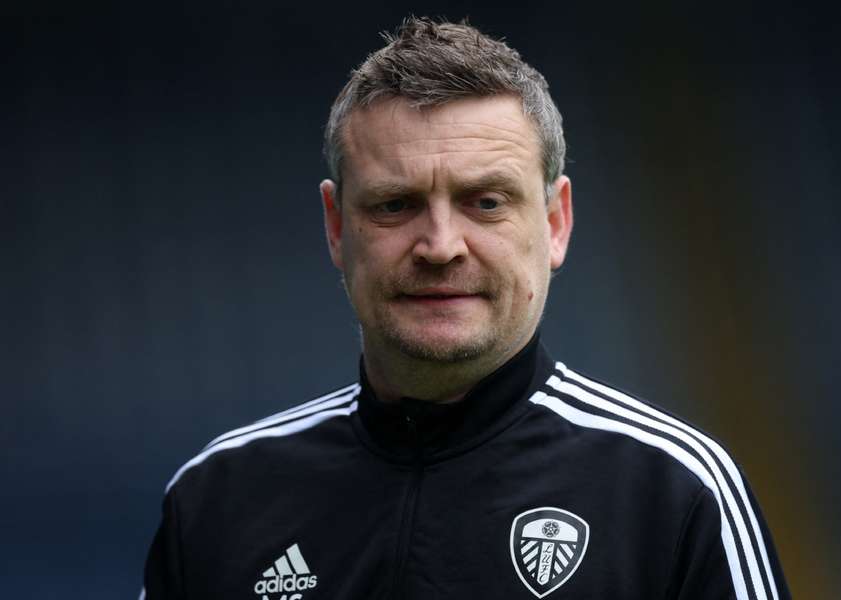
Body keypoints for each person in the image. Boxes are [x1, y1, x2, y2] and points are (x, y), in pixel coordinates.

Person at [142, 17, 791, 600]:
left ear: (556, 222)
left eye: (485, 201)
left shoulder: (674, 492)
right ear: (337, 227)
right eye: (395, 204)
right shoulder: (218, 499)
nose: (441, 247)